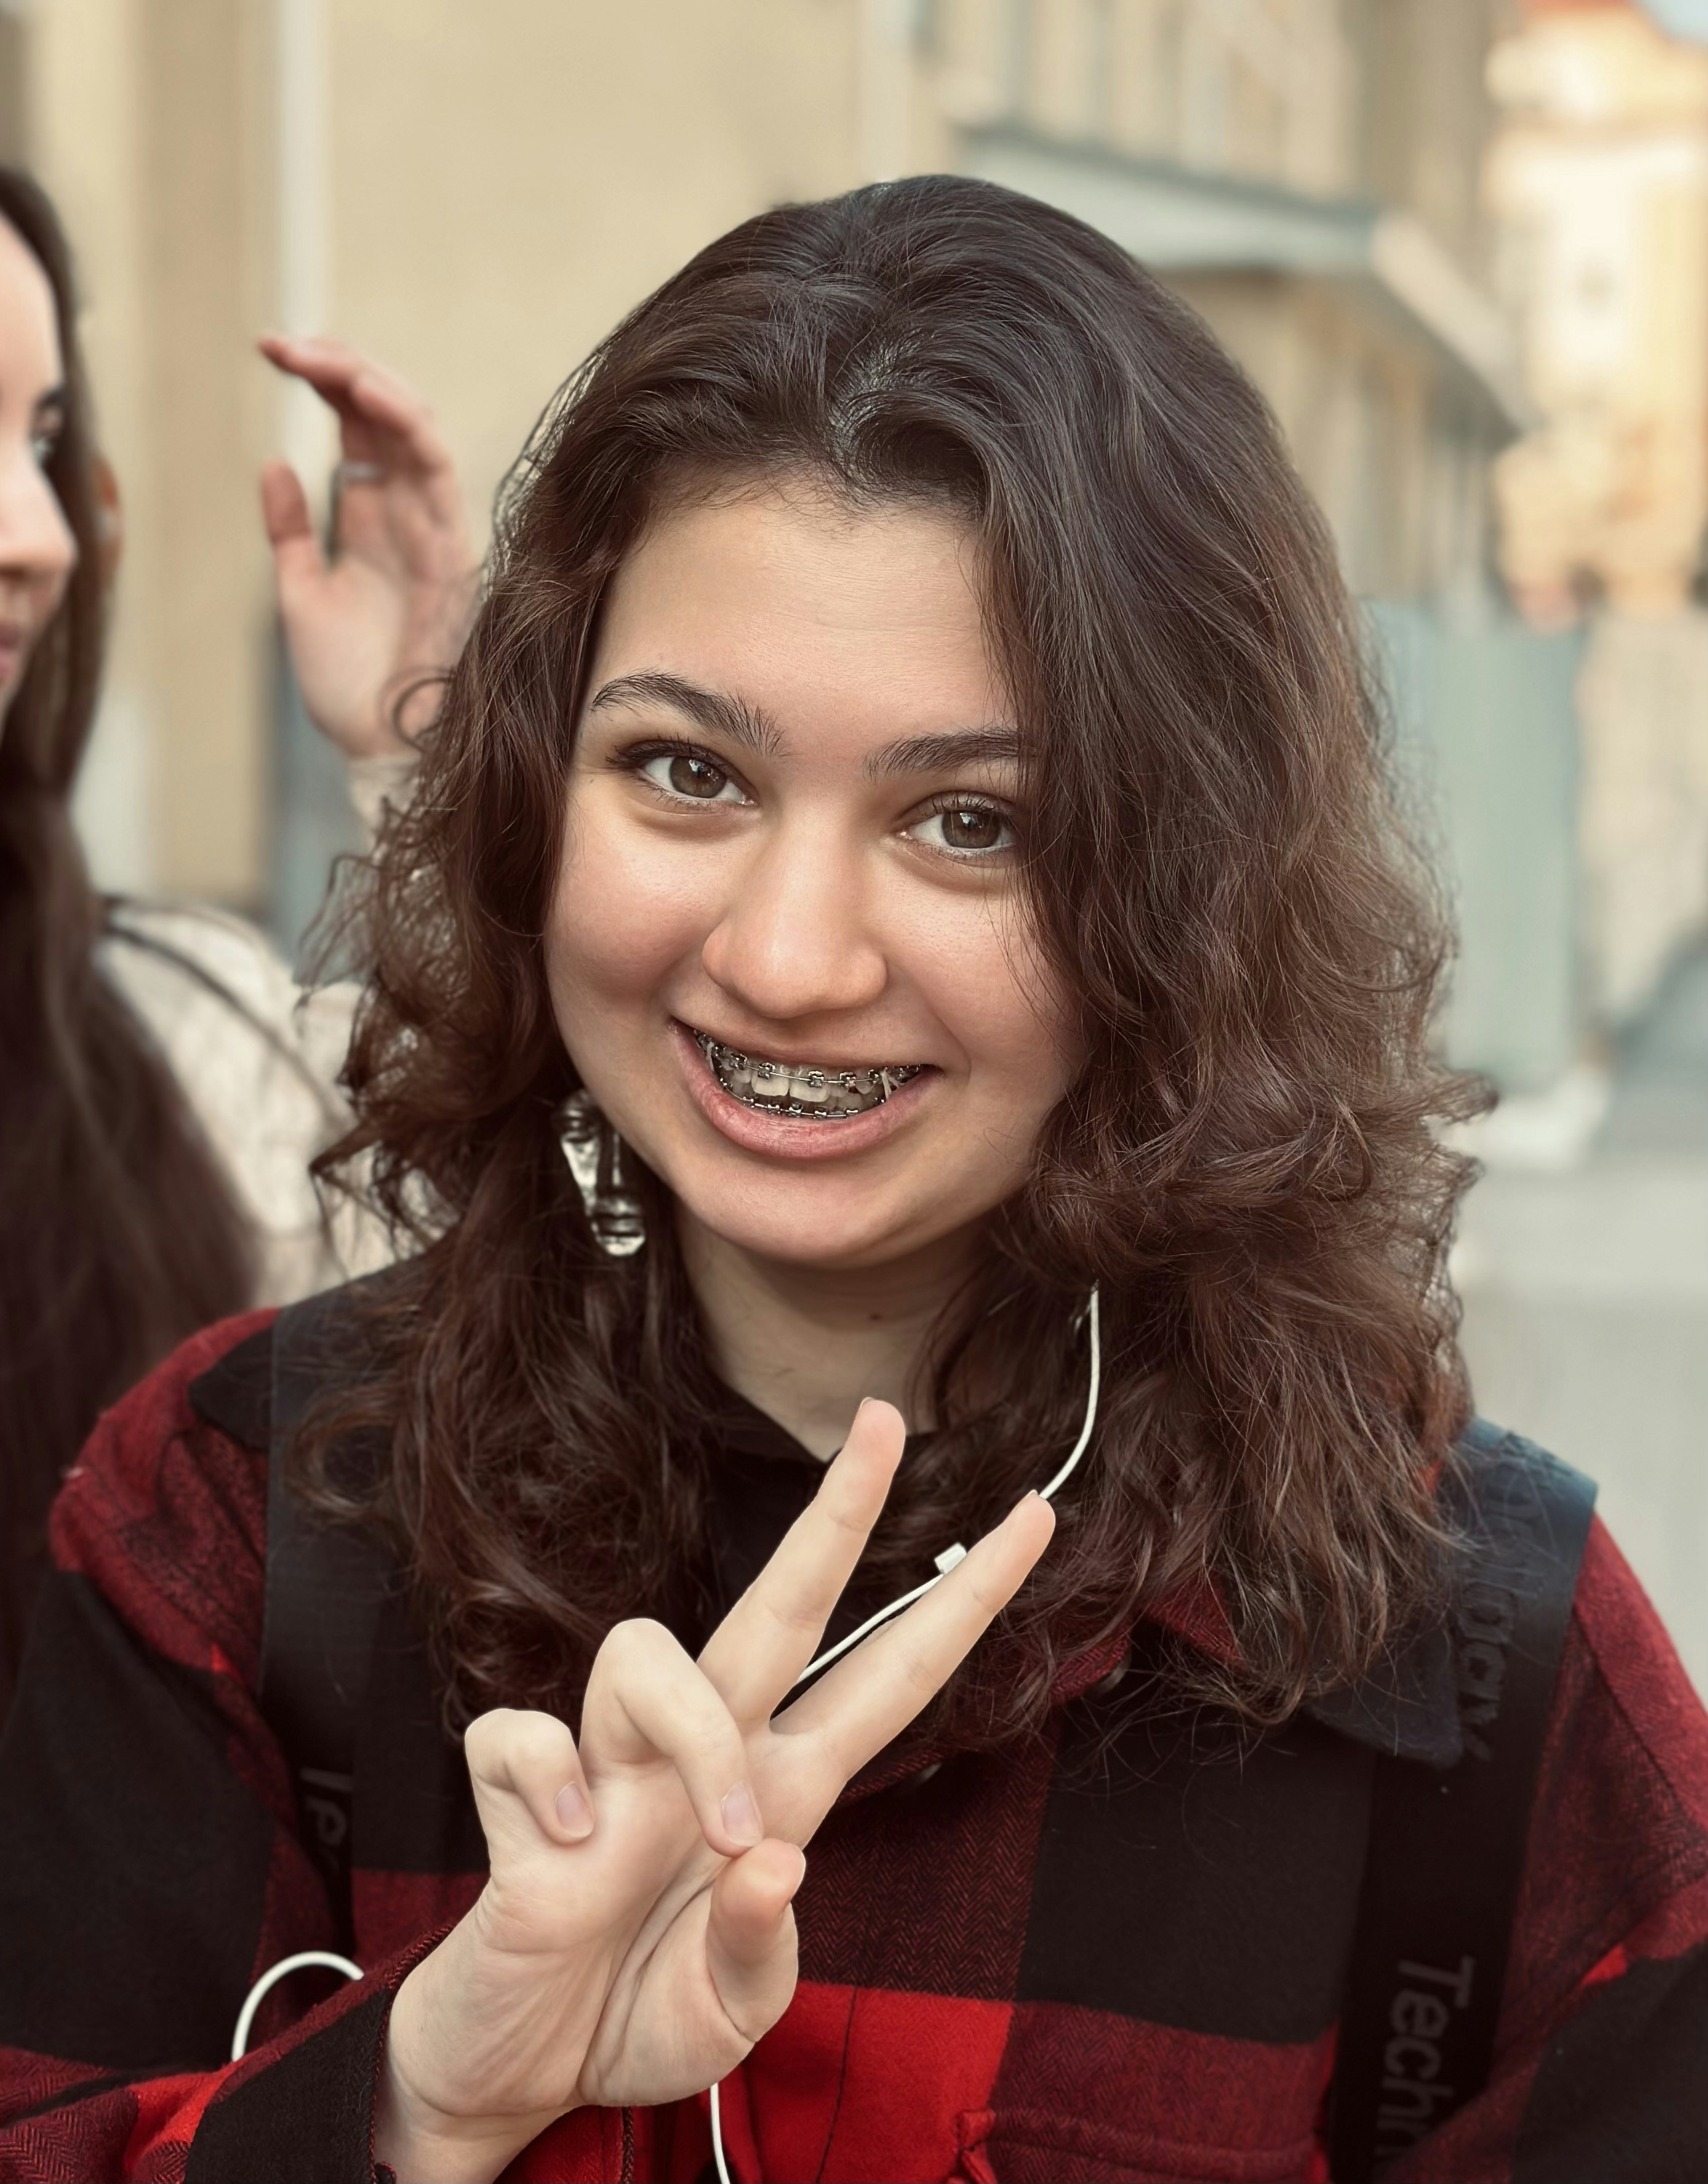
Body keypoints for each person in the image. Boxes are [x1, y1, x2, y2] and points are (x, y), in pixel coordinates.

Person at [1, 175, 1704, 2184]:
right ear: (536, 788)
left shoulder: (1477, 1655)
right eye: (688, 773)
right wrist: (415, 2103)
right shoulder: (227, 1528)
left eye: (969, 819)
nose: (790, 958)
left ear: (1182, 891)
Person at [0, 166, 470, 1713]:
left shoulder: (181, 1043)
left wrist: (429, 746)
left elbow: (554, 1263)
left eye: (44, 440)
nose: (37, 534)